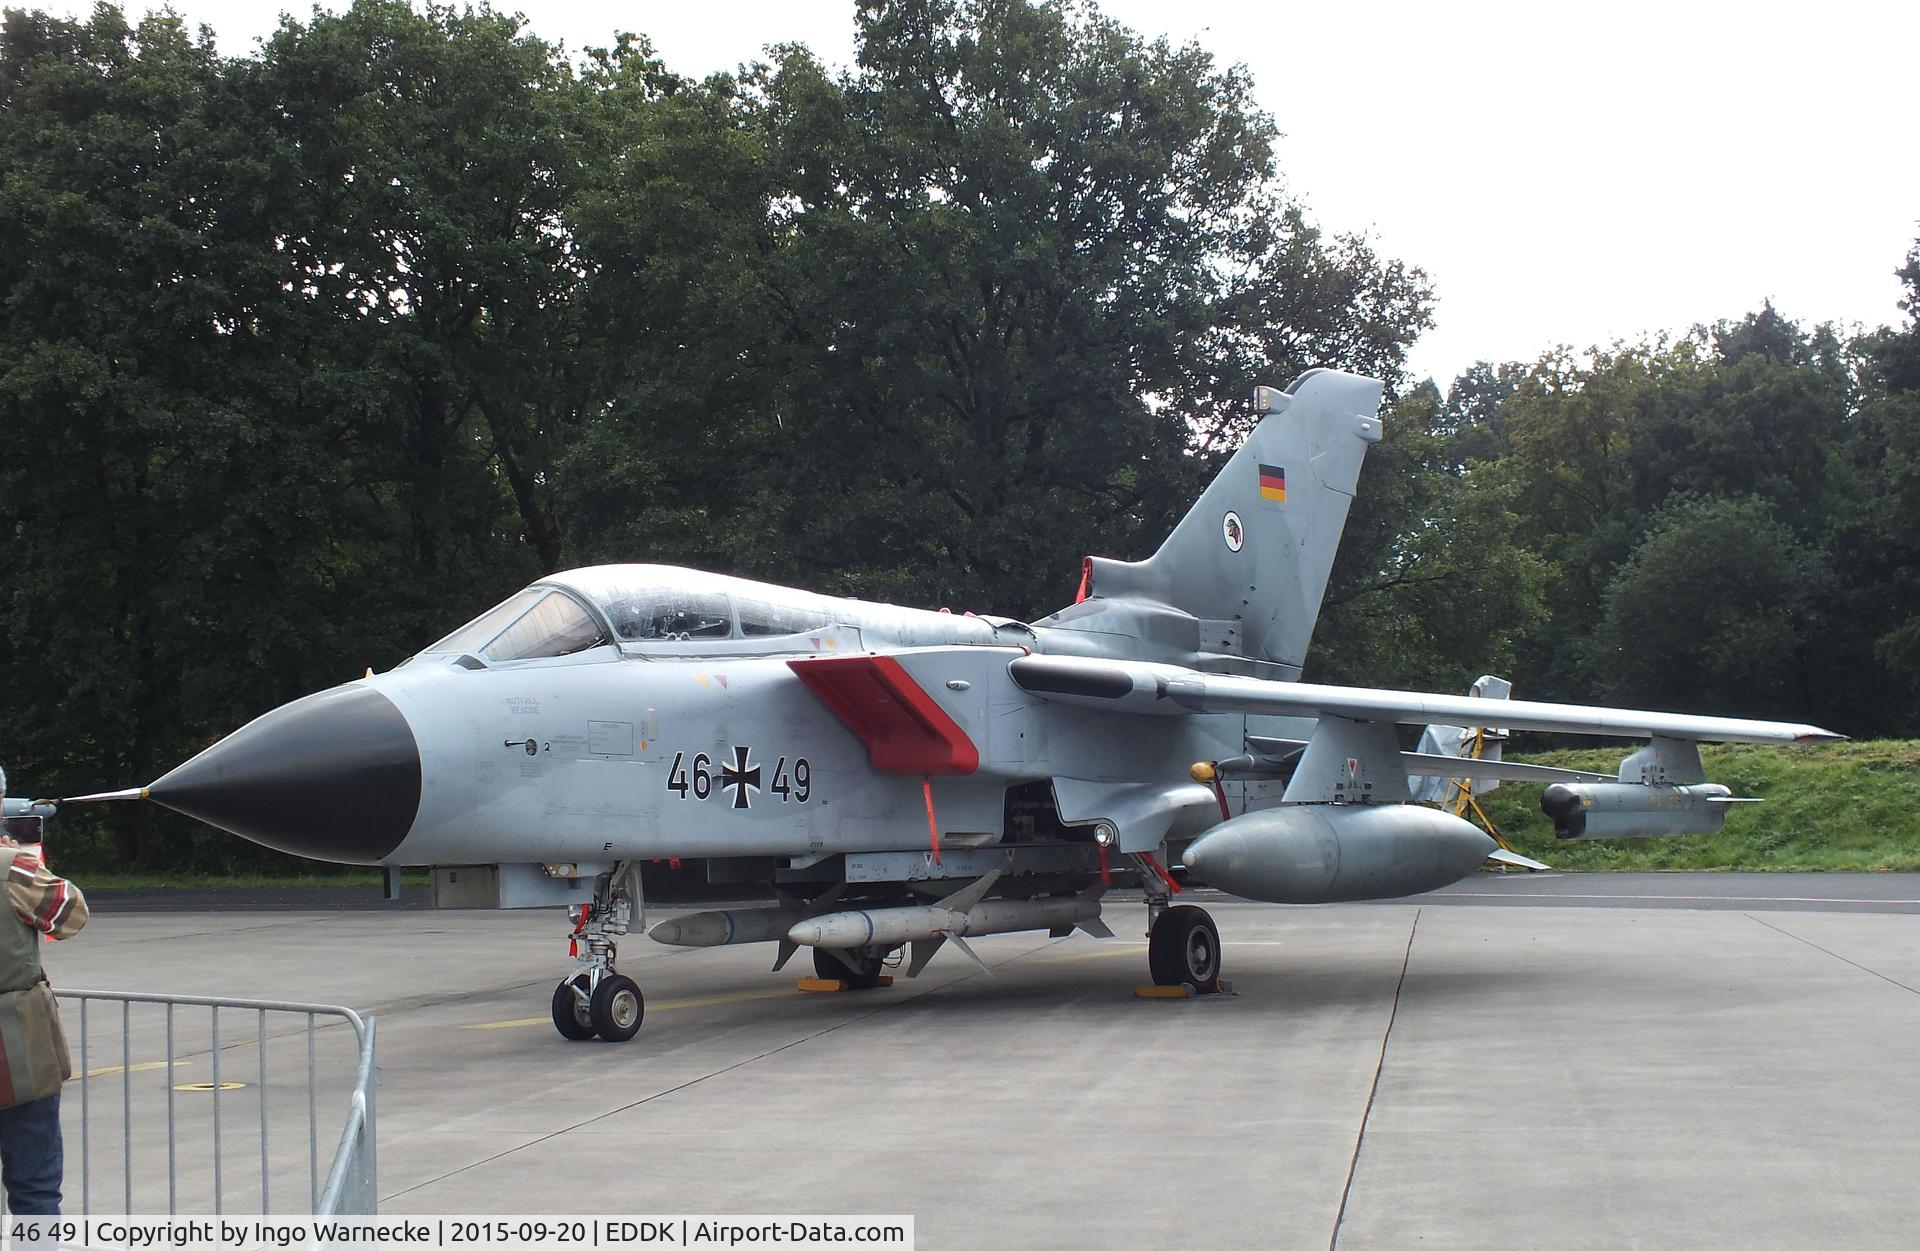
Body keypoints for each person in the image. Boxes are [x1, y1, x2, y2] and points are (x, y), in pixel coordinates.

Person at [0, 765, 88, 1215]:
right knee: (34, 1188)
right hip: (19, 1059)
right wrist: (24, 859)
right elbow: (70, 916)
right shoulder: (14, 868)